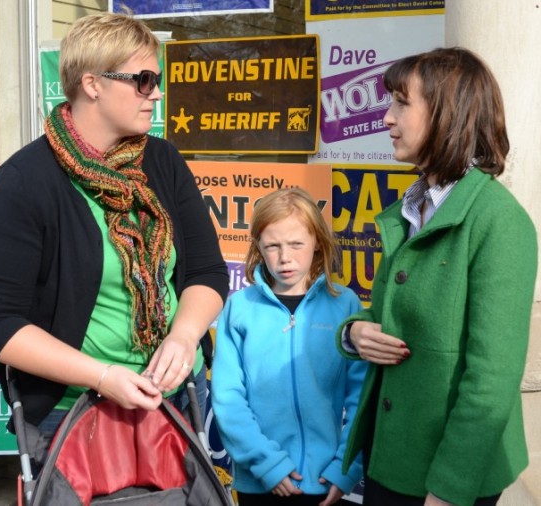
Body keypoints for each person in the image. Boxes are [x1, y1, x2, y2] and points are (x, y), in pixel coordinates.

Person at [0, 12, 229, 456]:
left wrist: (183, 338)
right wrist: (101, 375)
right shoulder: (26, 180)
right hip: (73, 413)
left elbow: (206, 271)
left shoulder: (162, 162)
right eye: (143, 80)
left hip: (180, 400)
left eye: (157, 79)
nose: (156, 93)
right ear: (92, 84)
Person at [337, 47, 538, 506]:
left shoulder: (499, 222)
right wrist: (356, 333)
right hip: (390, 458)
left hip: (443, 478)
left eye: (401, 103)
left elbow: (491, 381)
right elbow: (387, 314)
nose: (386, 118)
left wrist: (448, 490)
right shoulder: (413, 208)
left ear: (450, 114)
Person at [211, 188, 368, 506]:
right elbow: (228, 399)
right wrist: (266, 464)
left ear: (318, 243)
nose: (285, 258)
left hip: (325, 480)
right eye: (273, 246)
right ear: (258, 247)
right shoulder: (239, 308)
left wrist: (346, 467)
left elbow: (361, 398)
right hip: (260, 483)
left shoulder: (345, 305)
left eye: (297, 244)